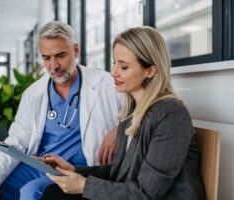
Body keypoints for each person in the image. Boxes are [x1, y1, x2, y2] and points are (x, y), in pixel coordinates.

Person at [41, 26, 205, 200]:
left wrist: (83, 185)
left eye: (124, 67)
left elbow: (146, 194)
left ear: (150, 71)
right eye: (114, 63)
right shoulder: (131, 112)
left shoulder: (171, 115)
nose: (113, 73)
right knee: (54, 192)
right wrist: (74, 170)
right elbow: (119, 171)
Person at [0, 21, 122, 200]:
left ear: (75, 50)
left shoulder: (106, 83)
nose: (53, 65)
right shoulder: (34, 93)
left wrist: (119, 129)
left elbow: (143, 107)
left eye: (60, 55)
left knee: (32, 192)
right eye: (46, 58)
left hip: (77, 168)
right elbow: (17, 140)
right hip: (42, 165)